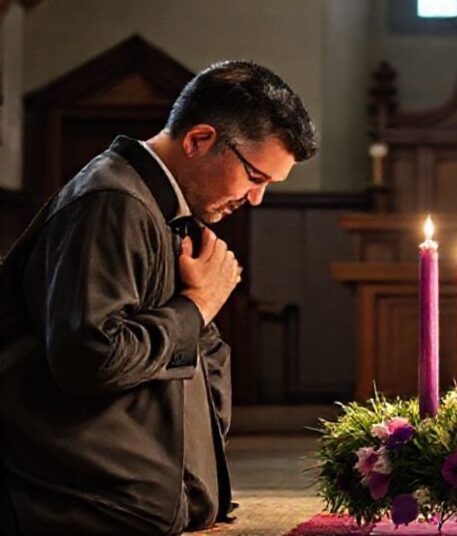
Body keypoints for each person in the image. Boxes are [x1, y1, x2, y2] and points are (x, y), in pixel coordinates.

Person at [0, 60, 317, 534]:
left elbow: (198, 353)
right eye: (256, 177)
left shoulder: (168, 209)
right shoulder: (114, 201)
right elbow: (89, 357)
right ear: (199, 140)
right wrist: (195, 308)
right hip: (81, 499)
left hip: (143, 499)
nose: (256, 199)